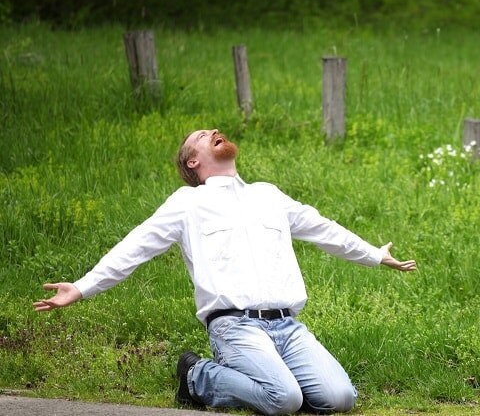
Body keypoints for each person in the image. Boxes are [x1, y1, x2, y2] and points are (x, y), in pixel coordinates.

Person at [33, 128, 417, 415]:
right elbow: (135, 247)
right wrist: (82, 287)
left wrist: (374, 255)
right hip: (234, 327)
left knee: (340, 398)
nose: (214, 131)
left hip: (288, 326)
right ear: (193, 162)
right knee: (284, 399)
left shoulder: (267, 195)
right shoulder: (187, 204)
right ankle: (196, 375)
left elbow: (323, 229)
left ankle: (272, 382)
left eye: (213, 130)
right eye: (202, 136)